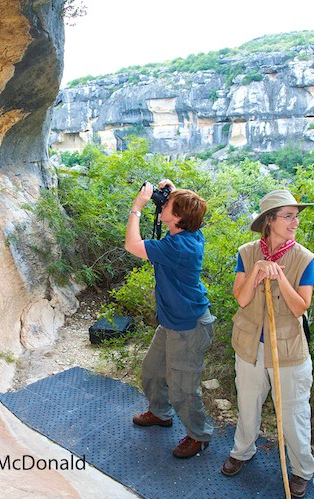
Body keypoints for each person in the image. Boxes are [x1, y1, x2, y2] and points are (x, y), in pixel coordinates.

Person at [220, 189, 314, 497]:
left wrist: (279, 278)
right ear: (269, 220)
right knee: (247, 403)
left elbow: (301, 307)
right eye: (288, 216)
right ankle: (242, 452)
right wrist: (259, 270)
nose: (295, 222)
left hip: (288, 349)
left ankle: (302, 470)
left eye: (296, 216)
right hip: (250, 346)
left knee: (293, 412)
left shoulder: (303, 258)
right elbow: (242, 297)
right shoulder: (247, 253)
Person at [125, 179, 214, 459]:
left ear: (177, 219)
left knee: (182, 389)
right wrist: (174, 191)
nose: (162, 204)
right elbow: (187, 212)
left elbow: (132, 245)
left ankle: (198, 436)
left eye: (168, 204)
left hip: (189, 326)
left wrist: (137, 208)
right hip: (171, 321)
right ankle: (161, 413)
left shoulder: (178, 247)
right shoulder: (189, 232)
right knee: (152, 372)